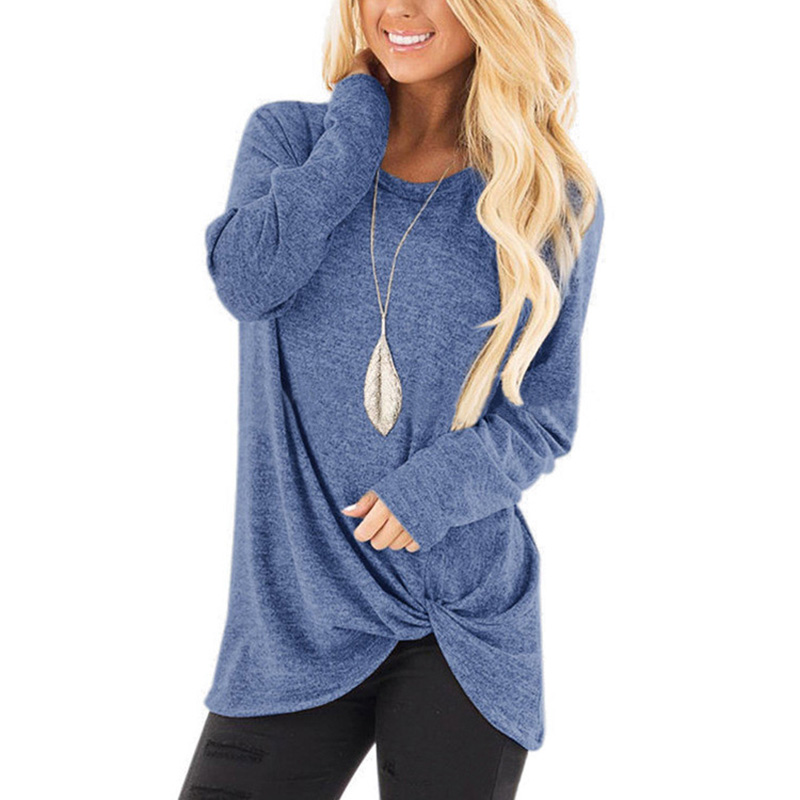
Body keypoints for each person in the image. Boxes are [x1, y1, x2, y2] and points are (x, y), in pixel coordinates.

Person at [179, 1, 604, 798]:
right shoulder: (292, 141)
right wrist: (356, 128)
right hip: (294, 617)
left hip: (458, 619)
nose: (399, 8)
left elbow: (544, 415)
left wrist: (432, 491)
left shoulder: (544, 193)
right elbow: (247, 283)